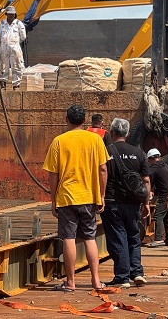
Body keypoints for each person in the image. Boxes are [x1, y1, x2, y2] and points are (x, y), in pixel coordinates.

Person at [42, 104, 109, 292]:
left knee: (68, 238)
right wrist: (101, 195)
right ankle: (96, 281)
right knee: (90, 238)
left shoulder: (59, 141)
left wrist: (53, 199)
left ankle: (70, 282)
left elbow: (53, 173)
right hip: (88, 196)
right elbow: (103, 168)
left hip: (67, 197)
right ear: (84, 120)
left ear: (66, 120)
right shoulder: (95, 140)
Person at [102, 117, 151, 288]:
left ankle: (122, 276)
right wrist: (146, 203)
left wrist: (99, 197)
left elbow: (102, 175)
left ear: (112, 132)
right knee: (133, 236)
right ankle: (137, 272)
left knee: (118, 237)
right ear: (128, 133)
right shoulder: (139, 153)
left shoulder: (106, 151)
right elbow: (146, 180)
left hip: (112, 201)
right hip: (133, 202)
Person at [146, 148, 168, 247]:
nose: (149, 162)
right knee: (166, 216)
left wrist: (148, 195)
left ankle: (158, 239)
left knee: (158, 216)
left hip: (165, 195)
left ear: (151, 159)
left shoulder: (154, 168)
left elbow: (150, 183)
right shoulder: (166, 166)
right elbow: (164, 182)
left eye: (149, 160)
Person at [0, 5, 26, 90]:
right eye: (9, 14)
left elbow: (23, 37)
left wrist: (15, 43)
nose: (11, 16)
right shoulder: (2, 23)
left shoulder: (18, 24)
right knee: (3, 66)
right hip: (3, 48)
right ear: (6, 14)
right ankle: (3, 85)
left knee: (17, 66)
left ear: (14, 14)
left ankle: (16, 85)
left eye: (12, 14)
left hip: (15, 48)